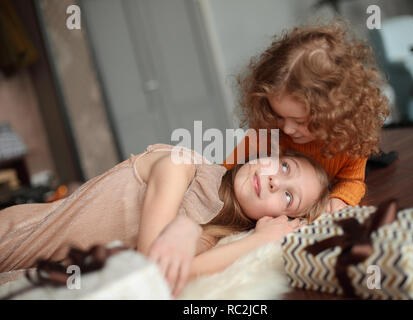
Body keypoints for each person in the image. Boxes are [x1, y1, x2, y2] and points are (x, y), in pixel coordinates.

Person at [0, 144, 330, 296]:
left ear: (279, 216)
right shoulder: (182, 164)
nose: (275, 181)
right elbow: (150, 262)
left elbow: (171, 276)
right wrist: (183, 227)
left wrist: (259, 241)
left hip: (30, 276)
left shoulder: (216, 231)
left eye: (288, 196)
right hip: (12, 238)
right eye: (285, 168)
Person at [223, 18, 390, 214]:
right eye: (279, 115)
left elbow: (353, 180)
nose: (287, 129)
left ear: (336, 116)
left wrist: (339, 199)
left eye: (301, 122)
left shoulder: (350, 142)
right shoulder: (268, 129)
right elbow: (224, 172)